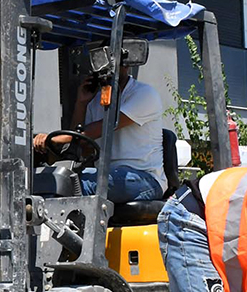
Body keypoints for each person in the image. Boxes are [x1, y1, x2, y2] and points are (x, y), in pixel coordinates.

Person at [32, 71, 167, 202]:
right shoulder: (96, 100)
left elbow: (106, 126)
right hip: (107, 174)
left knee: (75, 183)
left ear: (125, 64)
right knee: (55, 177)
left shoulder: (144, 94)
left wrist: (52, 138)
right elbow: (80, 141)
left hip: (145, 179)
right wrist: (81, 103)